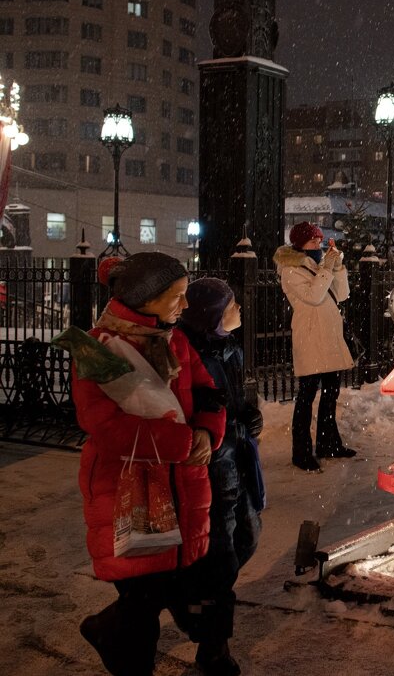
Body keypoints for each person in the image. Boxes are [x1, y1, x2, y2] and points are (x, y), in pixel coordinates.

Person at [73, 253, 237, 676]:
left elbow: (207, 390)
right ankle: (123, 649)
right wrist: (183, 442)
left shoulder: (174, 339)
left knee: (205, 580)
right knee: (143, 597)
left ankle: (213, 651)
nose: (184, 307)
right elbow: (106, 426)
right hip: (130, 493)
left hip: (186, 485)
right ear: (146, 298)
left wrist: (207, 431)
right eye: (176, 297)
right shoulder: (98, 349)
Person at [179, 278, 265, 659]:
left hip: (238, 458)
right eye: (232, 306)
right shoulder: (192, 356)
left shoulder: (229, 350)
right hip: (213, 466)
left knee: (247, 536)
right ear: (212, 314)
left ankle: (200, 602)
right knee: (221, 553)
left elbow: (233, 400)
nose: (240, 311)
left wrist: (249, 415)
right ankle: (214, 644)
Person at [274, 222, 356, 471]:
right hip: (310, 338)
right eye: (312, 241)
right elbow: (313, 296)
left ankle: (328, 443)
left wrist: (338, 268)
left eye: (319, 240)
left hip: (328, 335)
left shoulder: (317, 266)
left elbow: (341, 295)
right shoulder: (291, 269)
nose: (317, 245)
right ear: (299, 244)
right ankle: (301, 452)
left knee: (331, 393)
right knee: (306, 396)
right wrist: (327, 268)